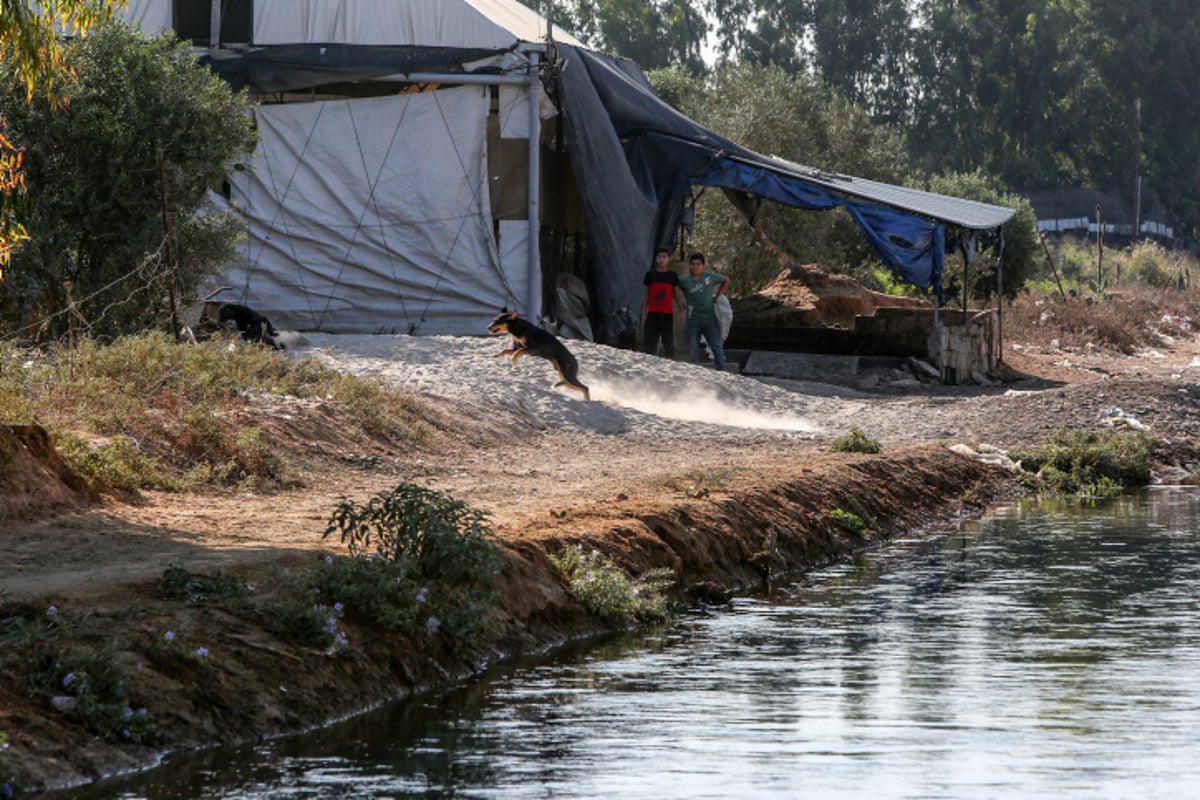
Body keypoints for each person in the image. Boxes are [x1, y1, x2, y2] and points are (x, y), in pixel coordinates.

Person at [679, 251, 730, 370]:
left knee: (716, 347)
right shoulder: (684, 280)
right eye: (693, 264)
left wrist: (717, 296)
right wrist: (680, 305)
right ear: (689, 265)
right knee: (692, 348)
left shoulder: (709, 277)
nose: (695, 266)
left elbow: (726, 280)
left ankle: (722, 371)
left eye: (698, 264)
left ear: (703, 266)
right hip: (692, 320)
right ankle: (695, 373)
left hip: (709, 319)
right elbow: (673, 287)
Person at [641, 247, 684, 358]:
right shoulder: (650, 275)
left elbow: (677, 295)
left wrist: (681, 311)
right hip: (653, 313)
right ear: (656, 259)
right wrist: (644, 311)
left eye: (664, 257)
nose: (661, 259)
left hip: (667, 314)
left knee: (668, 342)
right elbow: (646, 295)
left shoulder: (672, 276)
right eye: (659, 257)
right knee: (649, 343)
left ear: (668, 259)